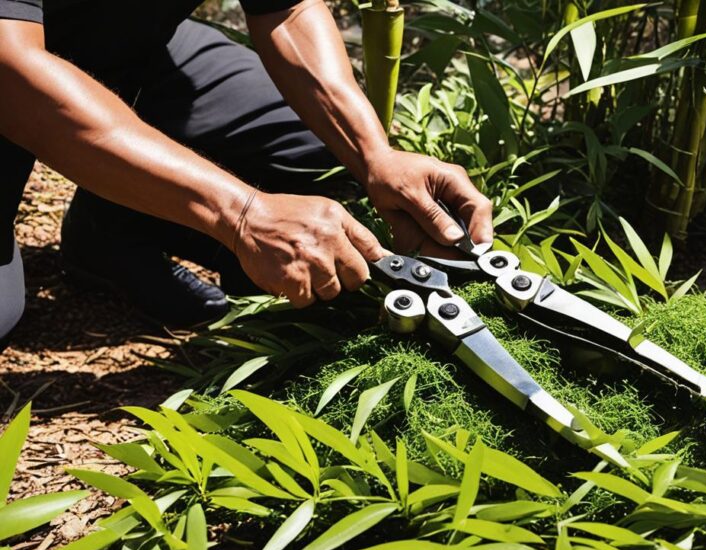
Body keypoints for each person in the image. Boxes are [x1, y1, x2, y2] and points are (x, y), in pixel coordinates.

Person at [0, 0, 493, 343]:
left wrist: (375, 155)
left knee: (315, 160)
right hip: (12, 65)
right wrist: (242, 213)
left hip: (127, 45)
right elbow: (12, 74)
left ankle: (110, 227)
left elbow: (286, 9)